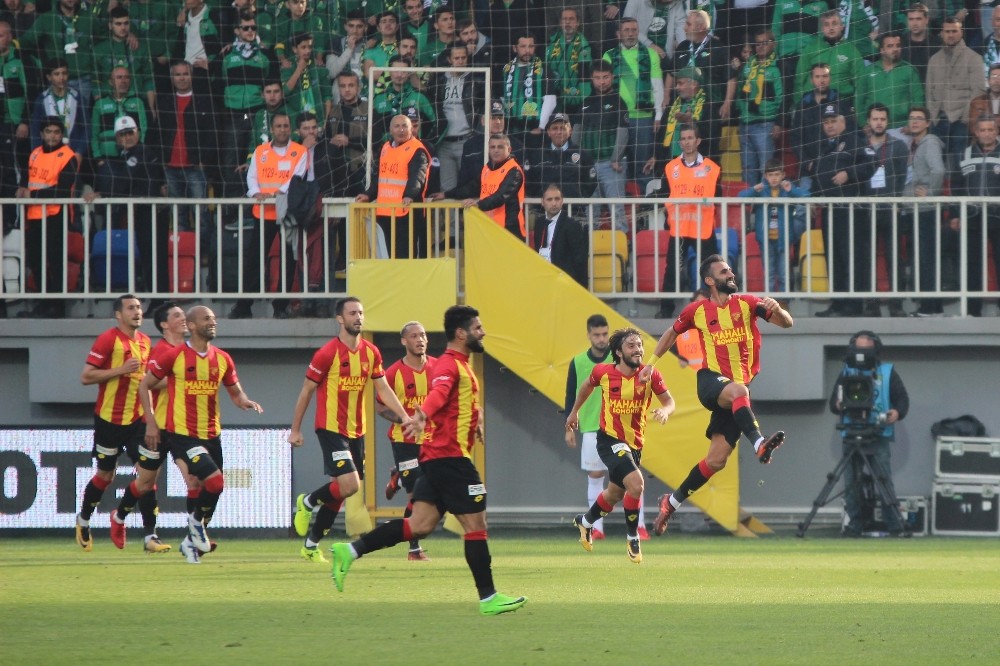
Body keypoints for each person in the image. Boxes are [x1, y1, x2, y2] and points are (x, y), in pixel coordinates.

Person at [329, 305, 528, 617]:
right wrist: (421, 415)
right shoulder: (450, 365)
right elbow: (439, 393)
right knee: (476, 526)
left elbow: (453, 400)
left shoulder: (458, 363)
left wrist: (473, 420)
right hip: (451, 460)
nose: (483, 332)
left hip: (435, 458)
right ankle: (488, 597)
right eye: (478, 328)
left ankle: (350, 550)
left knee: (419, 525)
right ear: (461, 333)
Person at [642, 254, 793, 536]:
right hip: (711, 382)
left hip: (737, 396)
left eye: (730, 270)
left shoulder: (748, 303)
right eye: (724, 271)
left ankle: (670, 504)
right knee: (739, 390)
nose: (731, 273)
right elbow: (671, 334)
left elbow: (787, 323)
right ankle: (759, 442)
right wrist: (649, 366)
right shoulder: (696, 311)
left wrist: (778, 309)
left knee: (716, 461)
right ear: (710, 280)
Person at [289, 297, 413, 563]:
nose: (358, 317)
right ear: (340, 319)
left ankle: (310, 546)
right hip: (331, 428)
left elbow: (383, 389)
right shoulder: (326, 354)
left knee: (342, 491)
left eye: (361, 313)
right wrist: (295, 430)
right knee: (350, 484)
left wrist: (404, 416)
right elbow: (306, 392)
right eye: (352, 313)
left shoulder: (371, 352)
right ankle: (307, 502)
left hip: (358, 431)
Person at [138, 305, 263, 564]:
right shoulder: (174, 357)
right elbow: (145, 384)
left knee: (209, 487)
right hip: (183, 435)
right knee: (215, 482)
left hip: (212, 434)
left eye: (214, 319)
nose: (212, 322)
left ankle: (190, 541)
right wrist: (151, 422)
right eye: (207, 319)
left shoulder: (223, 359)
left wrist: (245, 401)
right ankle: (195, 525)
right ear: (192, 326)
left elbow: (235, 391)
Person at [567, 327, 674, 563]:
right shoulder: (603, 372)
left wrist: (665, 410)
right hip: (609, 439)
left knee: (615, 493)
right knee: (637, 484)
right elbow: (586, 386)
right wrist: (574, 413)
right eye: (631, 346)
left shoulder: (650, 374)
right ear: (618, 352)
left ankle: (585, 522)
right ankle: (633, 536)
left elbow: (669, 401)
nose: (638, 350)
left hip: (635, 444)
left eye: (639, 345)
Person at [73, 295, 163, 552]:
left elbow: (147, 381)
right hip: (109, 420)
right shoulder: (108, 340)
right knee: (106, 475)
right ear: (118, 315)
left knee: (147, 475)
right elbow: (86, 376)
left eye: (139, 307)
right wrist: (120, 370)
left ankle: (150, 536)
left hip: (138, 420)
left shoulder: (146, 342)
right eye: (131, 308)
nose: (137, 312)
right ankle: (84, 520)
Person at [828, 331, 909, 536]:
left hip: (878, 433)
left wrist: (896, 412)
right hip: (851, 432)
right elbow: (833, 404)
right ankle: (855, 524)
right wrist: (839, 404)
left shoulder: (888, 372)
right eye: (858, 349)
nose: (862, 354)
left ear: (876, 350)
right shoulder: (846, 372)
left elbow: (902, 400)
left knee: (883, 480)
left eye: (866, 349)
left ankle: (894, 525)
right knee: (851, 483)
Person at [232, 112, 306, 319]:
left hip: (287, 213)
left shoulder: (300, 152)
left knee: (287, 262)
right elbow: (252, 176)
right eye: (279, 126)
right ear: (271, 130)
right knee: (254, 260)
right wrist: (256, 192)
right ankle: (244, 306)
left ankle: (280, 306)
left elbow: (296, 179)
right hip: (263, 213)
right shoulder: (260, 151)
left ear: (290, 128)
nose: (282, 129)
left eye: (285, 125)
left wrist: (274, 194)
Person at [85, 115, 168, 295]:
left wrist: (102, 193)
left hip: (153, 212)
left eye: (130, 132)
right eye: (122, 134)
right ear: (117, 138)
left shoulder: (142, 151)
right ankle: (156, 299)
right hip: (144, 212)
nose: (127, 137)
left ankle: (159, 299)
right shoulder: (126, 156)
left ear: (137, 133)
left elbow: (126, 180)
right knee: (148, 257)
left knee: (154, 258)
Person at [376, 321, 437, 561]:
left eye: (423, 335)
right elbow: (380, 407)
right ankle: (414, 550)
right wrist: (402, 420)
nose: (420, 339)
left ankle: (398, 477)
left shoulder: (438, 368)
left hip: (432, 439)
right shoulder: (393, 373)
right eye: (414, 336)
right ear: (404, 341)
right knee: (417, 495)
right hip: (405, 440)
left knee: (433, 489)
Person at [811, 104, 875, 318]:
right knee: (834, 256)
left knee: (853, 256)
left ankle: (854, 304)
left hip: (852, 210)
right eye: (826, 122)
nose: (829, 126)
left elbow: (871, 164)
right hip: (830, 210)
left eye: (833, 121)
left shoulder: (855, 140)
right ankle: (837, 303)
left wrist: (849, 173)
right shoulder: (823, 145)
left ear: (843, 122)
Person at [15, 116, 79, 319]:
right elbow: (27, 182)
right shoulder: (34, 154)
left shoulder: (68, 156)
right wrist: (23, 191)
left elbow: (61, 190)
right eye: (49, 132)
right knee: (35, 259)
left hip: (56, 214)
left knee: (55, 260)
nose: (52, 136)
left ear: (62, 134)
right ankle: (43, 302)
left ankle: (57, 305)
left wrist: (31, 195)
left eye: (56, 132)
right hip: (34, 214)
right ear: (42, 134)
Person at [658, 123, 721, 318]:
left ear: (698, 141)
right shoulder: (670, 168)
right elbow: (664, 194)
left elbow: (718, 196)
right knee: (673, 269)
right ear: (679, 142)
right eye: (683, 138)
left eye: (690, 138)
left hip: (703, 227)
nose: (686, 142)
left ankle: (719, 307)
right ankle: (666, 309)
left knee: (712, 268)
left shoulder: (712, 168)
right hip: (680, 227)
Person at [563, 314, 612, 539]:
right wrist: (569, 428)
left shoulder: (619, 355)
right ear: (589, 335)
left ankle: (638, 526)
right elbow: (570, 395)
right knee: (595, 475)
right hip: (592, 426)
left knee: (631, 476)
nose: (602, 339)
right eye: (597, 334)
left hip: (620, 425)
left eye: (605, 334)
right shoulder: (578, 361)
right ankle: (597, 528)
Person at [356, 113, 431, 258]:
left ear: (412, 129)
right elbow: (380, 176)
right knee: (386, 255)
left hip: (406, 212)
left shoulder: (417, 149)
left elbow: (418, 176)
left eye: (405, 126)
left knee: (405, 256)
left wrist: (410, 195)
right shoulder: (385, 148)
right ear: (390, 130)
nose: (401, 130)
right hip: (384, 212)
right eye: (397, 126)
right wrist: (368, 194)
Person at [860, 103, 909, 317]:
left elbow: (901, 179)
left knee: (894, 258)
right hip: (866, 211)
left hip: (890, 209)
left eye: (882, 119)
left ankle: (896, 304)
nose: (879, 122)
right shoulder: (860, 146)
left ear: (887, 122)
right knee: (867, 258)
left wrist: (898, 203)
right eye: (875, 119)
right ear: (868, 122)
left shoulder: (898, 146)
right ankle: (870, 304)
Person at [603, 17, 663, 191]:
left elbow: (657, 86)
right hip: (616, 120)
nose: (630, 34)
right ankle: (619, 208)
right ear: (618, 34)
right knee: (616, 164)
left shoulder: (650, 54)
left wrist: (658, 115)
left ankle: (648, 210)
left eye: (634, 30)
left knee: (643, 166)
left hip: (643, 118)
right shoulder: (608, 55)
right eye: (626, 30)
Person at [738, 158, 808, 293]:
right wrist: (753, 190)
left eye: (777, 175)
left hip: (784, 238)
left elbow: (806, 195)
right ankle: (769, 304)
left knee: (783, 274)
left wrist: (791, 190)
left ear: (783, 175)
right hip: (766, 239)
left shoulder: (787, 190)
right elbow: (740, 196)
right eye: (770, 175)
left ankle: (784, 304)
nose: (774, 178)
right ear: (765, 176)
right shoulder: (761, 191)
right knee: (769, 274)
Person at [902, 106, 947, 317]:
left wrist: (931, 193)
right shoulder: (915, 144)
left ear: (928, 123)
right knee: (922, 257)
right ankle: (932, 306)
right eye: (912, 118)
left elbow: (938, 170)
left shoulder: (929, 143)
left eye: (920, 119)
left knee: (925, 257)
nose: (915, 122)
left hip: (926, 209)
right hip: (915, 209)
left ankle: (930, 307)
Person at [955, 115, 1000, 317]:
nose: (987, 133)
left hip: (998, 217)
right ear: (976, 132)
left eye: (991, 129)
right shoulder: (964, 154)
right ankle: (973, 310)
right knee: (972, 265)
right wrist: (957, 214)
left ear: (996, 131)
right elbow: (956, 187)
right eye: (983, 130)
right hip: (971, 217)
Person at [926, 17, 984, 169]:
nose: (951, 35)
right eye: (947, 31)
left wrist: (965, 118)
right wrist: (933, 116)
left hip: (961, 123)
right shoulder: (934, 60)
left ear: (961, 32)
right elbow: (929, 91)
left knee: (959, 166)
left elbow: (978, 92)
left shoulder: (974, 58)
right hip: (938, 122)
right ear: (942, 33)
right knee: (936, 166)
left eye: (954, 31)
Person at [735, 29, 784, 186]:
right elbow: (739, 92)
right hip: (746, 123)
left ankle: (766, 208)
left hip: (765, 123)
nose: (761, 46)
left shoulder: (779, 66)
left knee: (766, 168)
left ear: (773, 44)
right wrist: (739, 116)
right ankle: (750, 208)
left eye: (765, 42)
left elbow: (782, 97)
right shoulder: (748, 65)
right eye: (758, 43)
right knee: (748, 168)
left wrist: (778, 122)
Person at [855, 32, 925, 135]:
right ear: (882, 50)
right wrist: (863, 124)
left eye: (898, 45)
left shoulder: (909, 70)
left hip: (901, 129)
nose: (895, 49)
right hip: (873, 129)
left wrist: (912, 125)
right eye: (890, 46)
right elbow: (859, 100)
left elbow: (918, 100)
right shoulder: (868, 71)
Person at [461, 133, 526, 241]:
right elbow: (471, 187)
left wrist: (478, 204)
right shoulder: (486, 168)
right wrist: (446, 194)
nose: (496, 150)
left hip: (509, 230)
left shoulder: (514, 171)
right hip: (489, 227)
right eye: (492, 147)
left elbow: (501, 196)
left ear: (509, 149)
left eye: (500, 147)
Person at [794, 11, 865, 105]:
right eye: (826, 24)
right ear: (822, 28)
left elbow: (860, 83)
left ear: (842, 26)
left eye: (834, 23)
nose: (831, 28)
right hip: (812, 103)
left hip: (841, 103)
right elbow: (800, 79)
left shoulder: (852, 51)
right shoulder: (811, 48)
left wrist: (856, 109)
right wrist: (798, 106)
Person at [522, 113, 596, 199]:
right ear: (548, 132)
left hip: (574, 209)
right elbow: (530, 182)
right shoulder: (537, 155)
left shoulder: (582, 154)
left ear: (570, 131)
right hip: (542, 210)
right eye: (554, 128)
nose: (559, 132)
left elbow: (591, 183)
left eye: (563, 128)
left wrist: (577, 199)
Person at [500, 33, 557, 140]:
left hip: (534, 129)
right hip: (511, 128)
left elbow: (550, 100)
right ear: (514, 48)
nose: (527, 50)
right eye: (523, 46)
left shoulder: (544, 68)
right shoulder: (506, 69)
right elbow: (502, 98)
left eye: (530, 46)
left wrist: (541, 127)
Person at [533, 183, 588, 286]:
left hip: (565, 282)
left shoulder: (572, 225)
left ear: (562, 201)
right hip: (545, 279)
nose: (554, 203)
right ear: (542, 202)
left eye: (557, 199)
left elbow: (580, 260)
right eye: (549, 199)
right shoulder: (539, 224)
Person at [545, 7, 593, 118]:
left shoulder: (584, 46)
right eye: (564, 19)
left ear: (578, 22)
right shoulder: (551, 44)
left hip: (576, 103)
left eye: (571, 19)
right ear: (560, 23)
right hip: (554, 101)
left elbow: (584, 77)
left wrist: (585, 104)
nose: (567, 22)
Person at [900, 3, 942, 83]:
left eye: (918, 19)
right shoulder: (900, 44)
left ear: (926, 20)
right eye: (911, 19)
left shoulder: (938, 44)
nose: (914, 23)